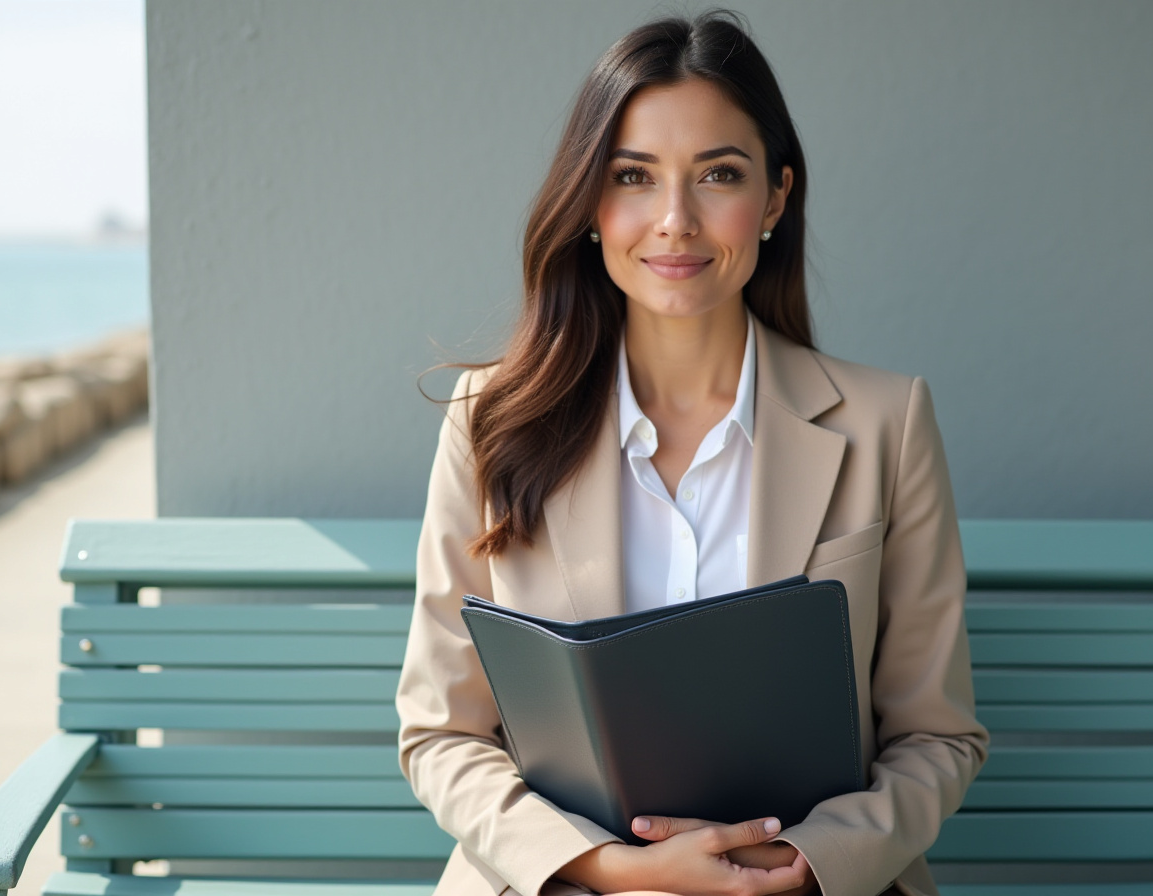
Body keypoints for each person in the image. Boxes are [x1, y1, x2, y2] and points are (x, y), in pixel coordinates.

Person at [396, 11, 987, 896]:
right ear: (591, 205)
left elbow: (937, 736)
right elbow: (441, 734)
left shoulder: (885, 423)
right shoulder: (491, 423)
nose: (674, 220)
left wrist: (809, 862)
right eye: (634, 177)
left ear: (777, 198)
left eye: (718, 174)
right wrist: (609, 869)